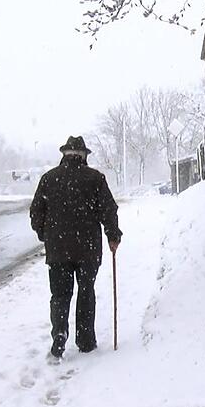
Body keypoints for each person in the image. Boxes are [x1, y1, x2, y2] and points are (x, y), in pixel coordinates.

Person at [30, 136, 121, 360]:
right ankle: (85, 340)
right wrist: (113, 235)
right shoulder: (95, 178)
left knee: (60, 295)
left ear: (64, 155)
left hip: (58, 249)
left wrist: (45, 234)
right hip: (87, 249)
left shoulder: (49, 178)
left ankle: (59, 334)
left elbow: (36, 212)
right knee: (86, 291)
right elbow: (108, 210)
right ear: (84, 156)